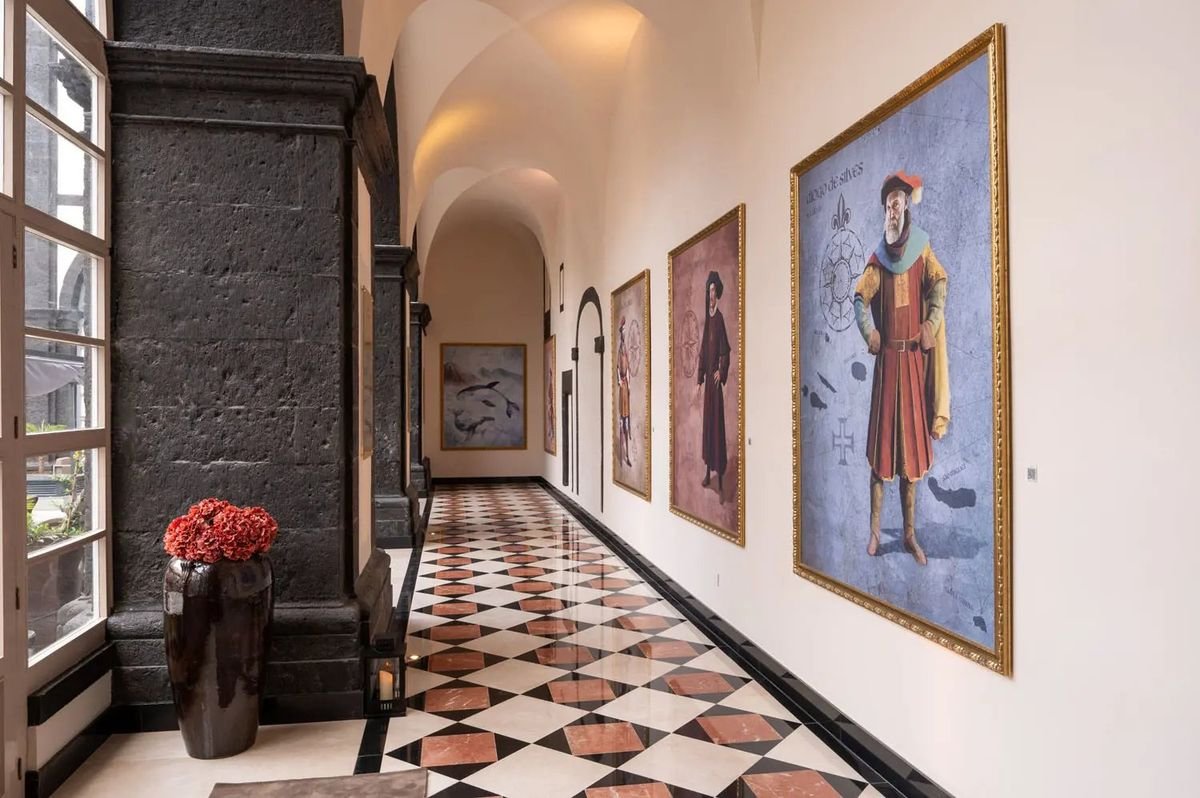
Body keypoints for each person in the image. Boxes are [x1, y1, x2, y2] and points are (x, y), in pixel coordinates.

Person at [853, 171, 951, 566]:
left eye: (898, 202)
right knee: (881, 456)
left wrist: (930, 323)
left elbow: (940, 284)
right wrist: (870, 333)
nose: (893, 209)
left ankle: (909, 534)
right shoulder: (878, 259)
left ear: (907, 205)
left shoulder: (923, 250)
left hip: (911, 367)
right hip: (887, 369)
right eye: (888, 204)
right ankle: (876, 531)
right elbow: (860, 300)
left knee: (911, 458)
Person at [696, 270, 731, 501]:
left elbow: (725, 351)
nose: (710, 295)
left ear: (717, 293)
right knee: (708, 428)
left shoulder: (719, 319)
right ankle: (708, 474)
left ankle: (719, 481)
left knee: (716, 429)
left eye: (713, 291)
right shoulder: (708, 320)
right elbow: (702, 351)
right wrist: (700, 380)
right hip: (708, 385)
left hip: (716, 387)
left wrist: (721, 370)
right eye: (708, 291)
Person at [617, 319, 633, 467]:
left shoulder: (625, 351)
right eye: (622, 332)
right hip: (622, 388)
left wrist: (628, 384)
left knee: (626, 422)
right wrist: (620, 381)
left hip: (625, 388)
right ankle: (623, 455)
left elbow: (627, 369)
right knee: (622, 422)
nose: (624, 334)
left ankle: (627, 455)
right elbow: (619, 368)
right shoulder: (620, 351)